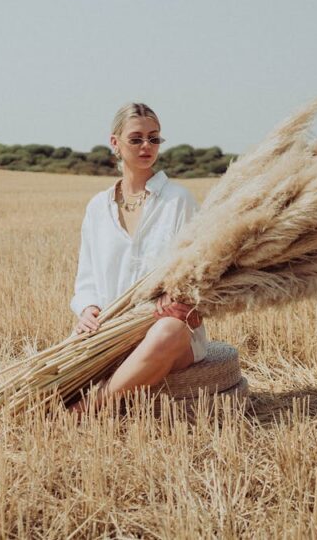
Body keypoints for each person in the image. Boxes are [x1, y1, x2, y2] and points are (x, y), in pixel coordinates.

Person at [68, 102, 209, 412]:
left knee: (168, 331)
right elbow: (87, 278)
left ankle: (90, 409)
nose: (147, 146)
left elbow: (197, 272)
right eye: (136, 139)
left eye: (154, 138)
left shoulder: (178, 200)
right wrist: (88, 309)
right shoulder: (97, 208)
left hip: (166, 329)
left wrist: (178, 297)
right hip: (111, 330)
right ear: (115, 143)